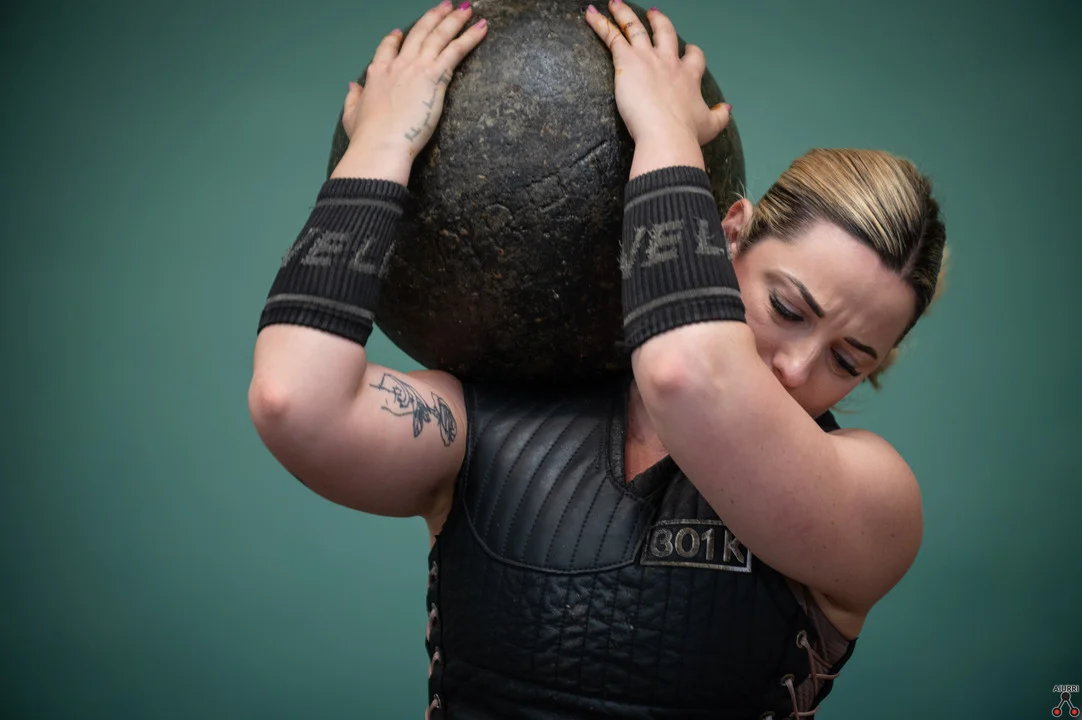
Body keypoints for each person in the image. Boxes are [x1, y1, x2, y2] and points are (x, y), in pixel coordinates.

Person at [248, 1, 947, 717]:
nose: (797, 370)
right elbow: (294, 401)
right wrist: (381, 147)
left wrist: (667, 130)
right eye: (788, 309)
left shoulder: (876, 501)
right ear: (727, 235)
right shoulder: (486, 424)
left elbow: (685, 375)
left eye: (848, 360)